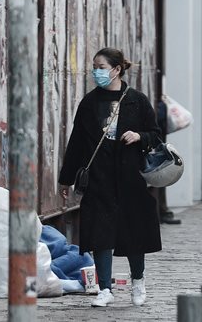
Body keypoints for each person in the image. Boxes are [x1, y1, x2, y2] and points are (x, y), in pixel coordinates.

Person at [57, 48, 162, 308]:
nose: (96, 72)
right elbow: (77, 143)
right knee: (100, 235)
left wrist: (139, 136)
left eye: (101, 67)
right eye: (94, 66)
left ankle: (138, 281)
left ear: (116, 69)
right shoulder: (90, 102)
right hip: (99, 178)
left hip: (130, 178)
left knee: (134, 233)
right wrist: (65, 179)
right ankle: (105, 288)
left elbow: (156, 134)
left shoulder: (137, 100)